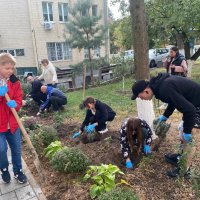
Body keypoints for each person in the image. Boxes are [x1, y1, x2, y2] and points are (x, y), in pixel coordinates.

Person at [131, 73, 200, 177]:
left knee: (190, 136)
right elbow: (173, 100)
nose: (141, 99)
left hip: (196, 106)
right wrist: (165, 116)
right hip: (192, 104)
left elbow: (190, 110)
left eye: (140, 97)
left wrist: (187, 131)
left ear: (146, 91)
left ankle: (184, 170)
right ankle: (180, 157)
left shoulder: (164, 88)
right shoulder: (160, 87)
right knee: (183, 131)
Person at [0, 53, 27, 184]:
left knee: (16, 148)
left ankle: (18, 171)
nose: (10, 71)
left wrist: (15, 104)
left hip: (13, 123)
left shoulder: (14, 81)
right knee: (1, 149)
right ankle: (4, 168)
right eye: (7, 68)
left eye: (12, 68)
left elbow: (18, 99)